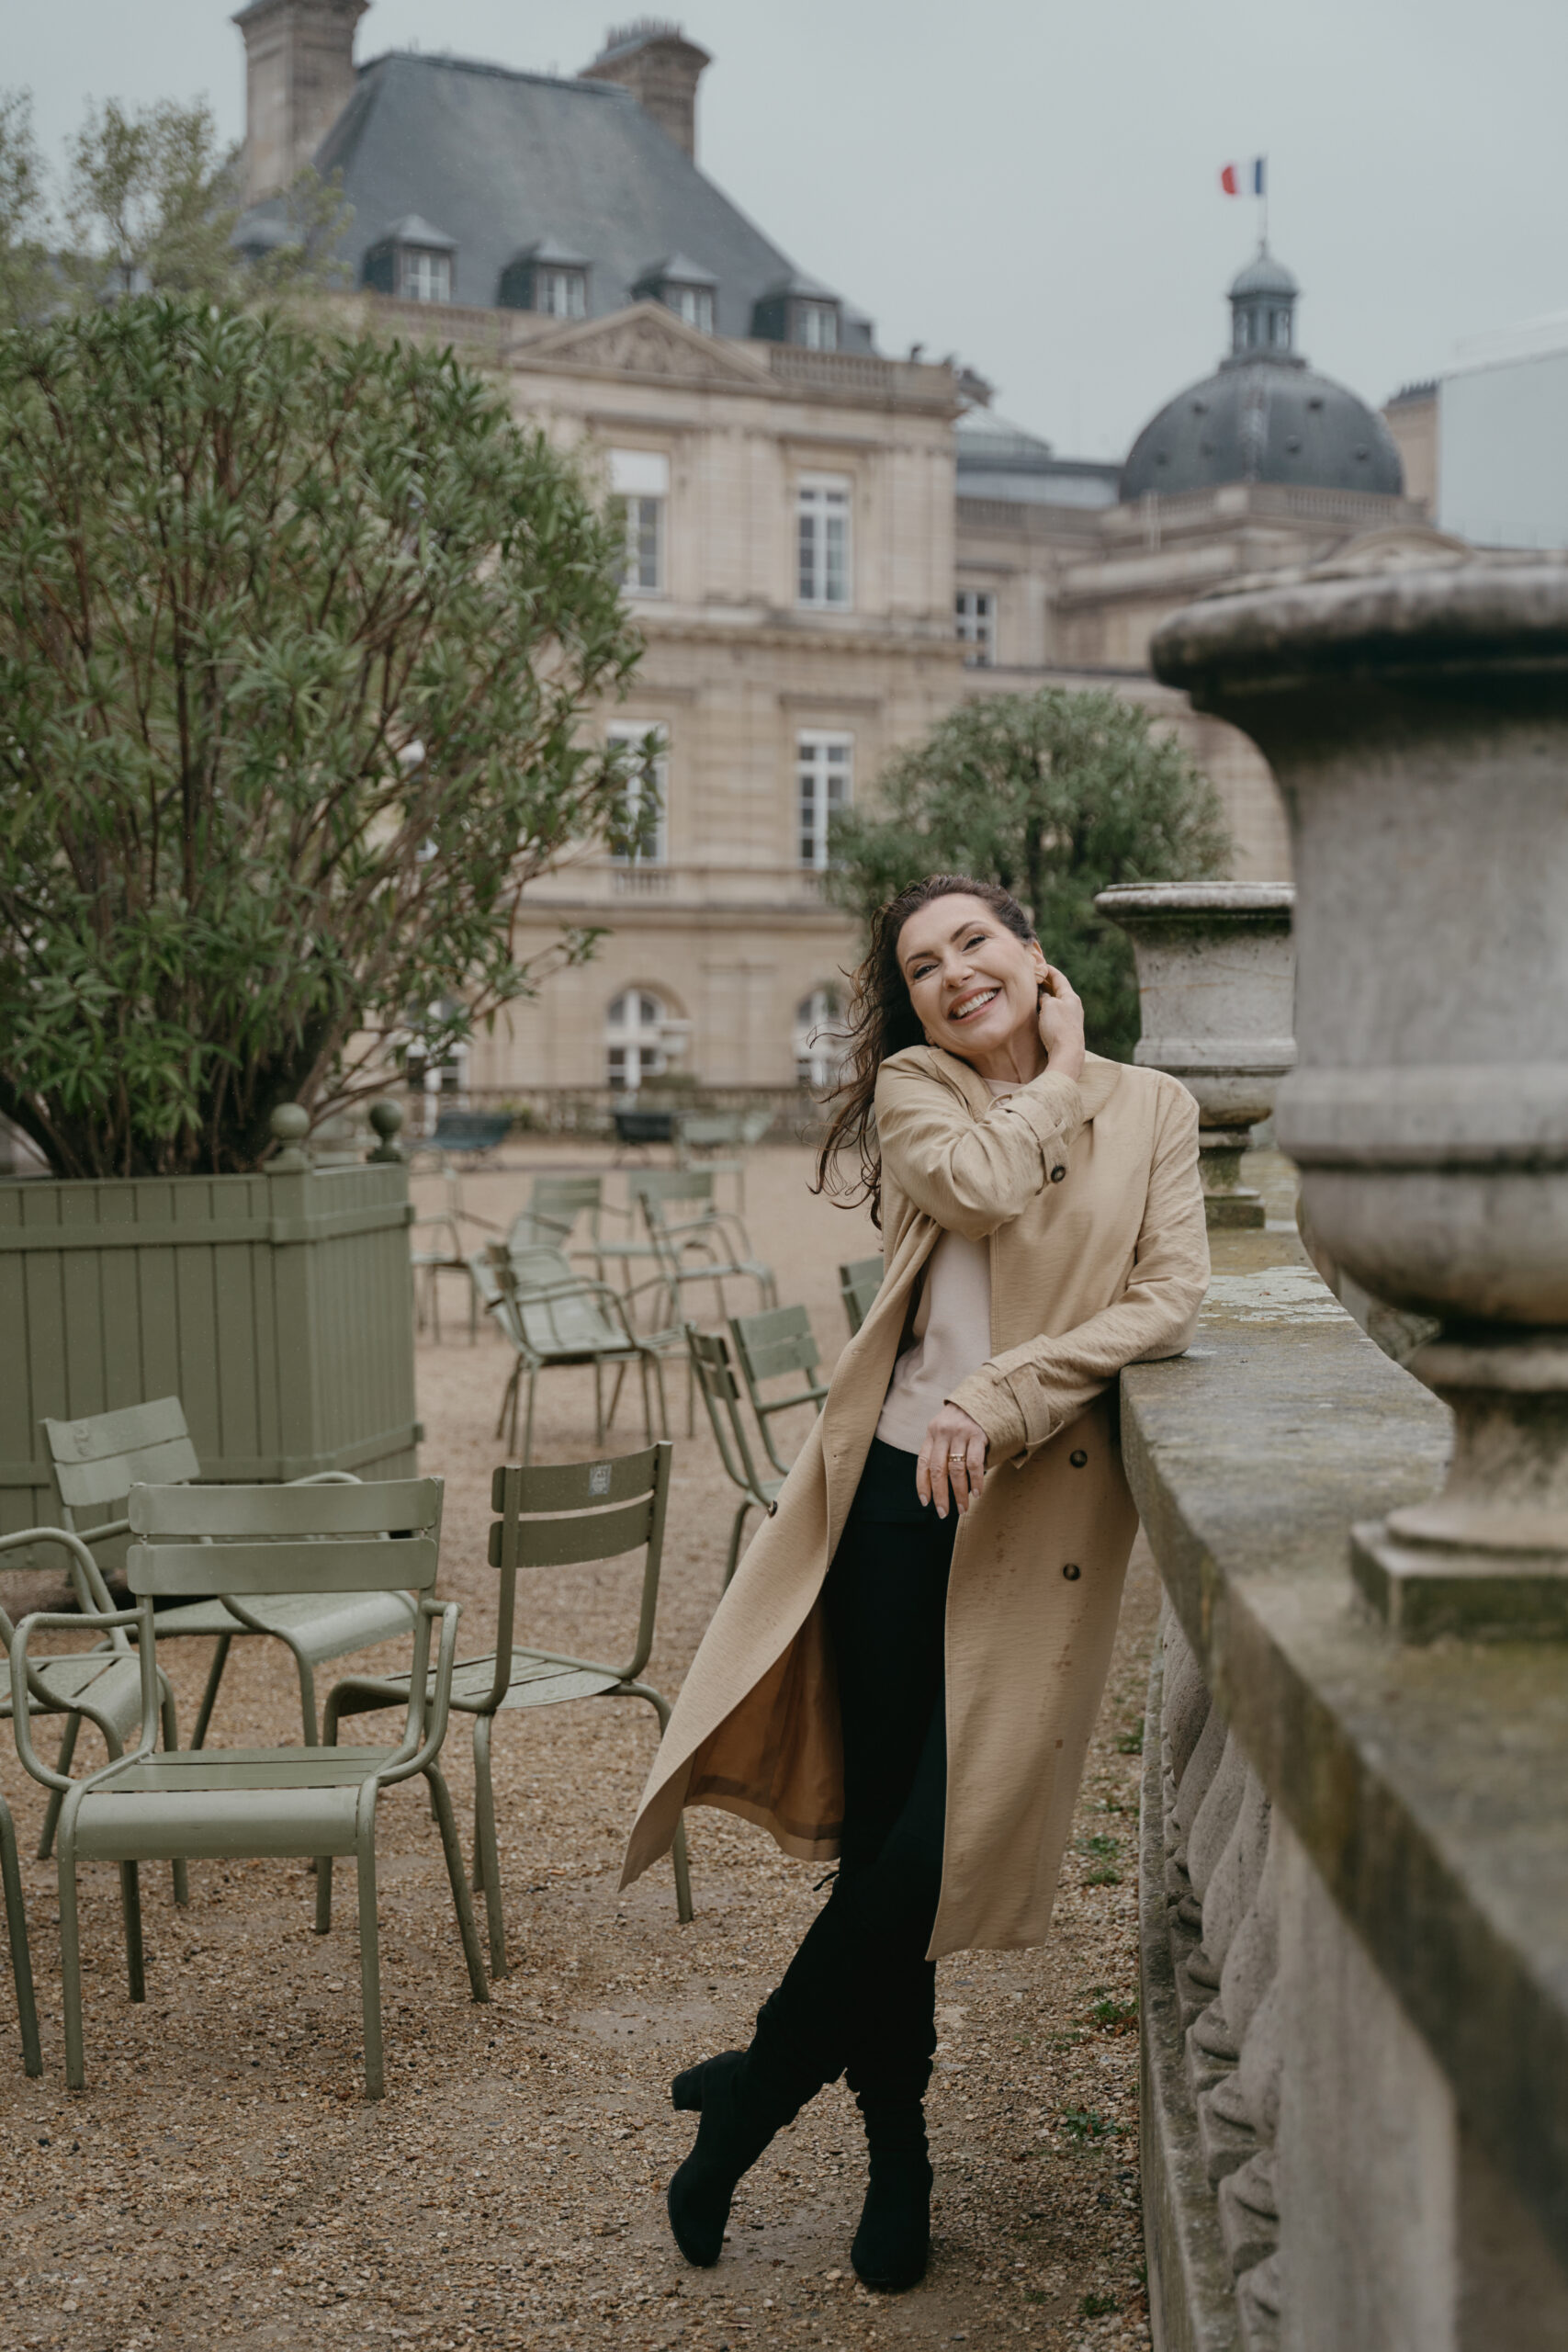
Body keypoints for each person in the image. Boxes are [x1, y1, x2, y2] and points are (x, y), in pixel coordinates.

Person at [620, 874, 1209, 2291]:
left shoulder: (1160, 1110)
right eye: (925, 963)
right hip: (888, 1503)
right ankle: (901, 2159)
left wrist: (1007, 1390)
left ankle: (753, 2095)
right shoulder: (917, 1091)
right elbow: (985, 1186)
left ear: (1032, 952)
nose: (954, 975)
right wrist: (1060, 1073)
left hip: (1028, 1518)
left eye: (976, 945)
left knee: (934, 1852)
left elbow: (1167, 1296)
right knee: (893, 1833)